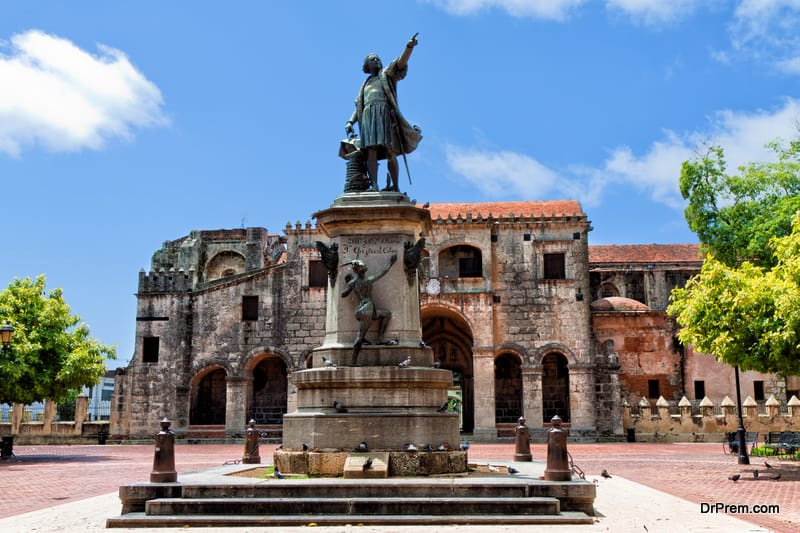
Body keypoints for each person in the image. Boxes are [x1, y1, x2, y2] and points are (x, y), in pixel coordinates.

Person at [345, 33, 422, 192]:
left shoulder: (386, 75)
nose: (377, 60)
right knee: (370, 151)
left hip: (383, 114)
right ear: (367, 66)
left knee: (390, 150)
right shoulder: (365, 84)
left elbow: (400, 63)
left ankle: (395, 185)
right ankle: (374, 185)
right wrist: (350, 122)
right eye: (373, 59)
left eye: (378, 58)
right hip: (367, 116)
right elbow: (359, 105)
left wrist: (409, 48)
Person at [341, 254, 397, 364]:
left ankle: (380, 338)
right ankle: (353, 362)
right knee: (360, 336)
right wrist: (390, 263)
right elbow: (383, 273)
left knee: (386, 314)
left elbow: (343, 294)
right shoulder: (368, 280)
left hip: (362, 309)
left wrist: (348, 284)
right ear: (360, 270)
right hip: (367, 308)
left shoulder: (353, 282)